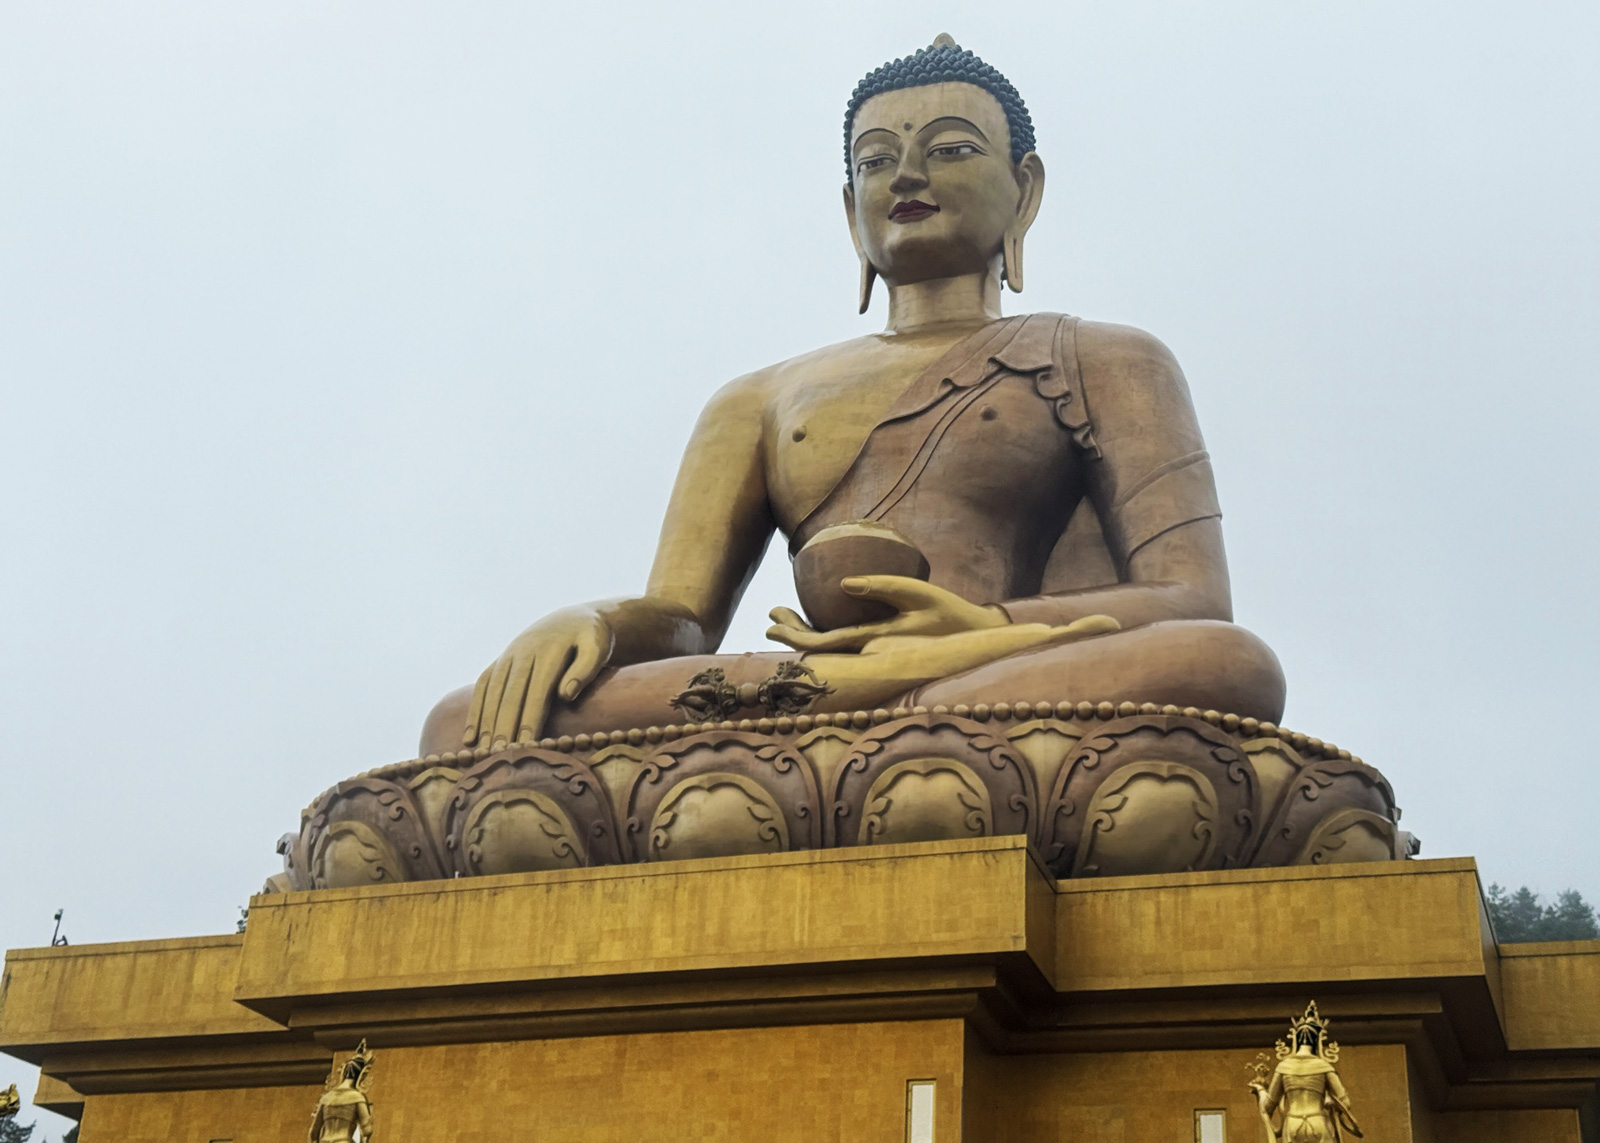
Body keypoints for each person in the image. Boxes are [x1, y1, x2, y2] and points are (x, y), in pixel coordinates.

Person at [421, 35, 1286, 756]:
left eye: (948, 149)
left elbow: (1192, 600)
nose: (905, 176)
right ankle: (890, 733)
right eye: (876, 161)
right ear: (850, 209)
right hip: (811, 687)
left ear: (1025, 191)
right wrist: (591, 623)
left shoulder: (1106, 358)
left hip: (1001, 670)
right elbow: (685, 619)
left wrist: (977, 629)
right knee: (466, 723)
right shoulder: (758, 398)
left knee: (1223, 665)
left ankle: (871, 735)